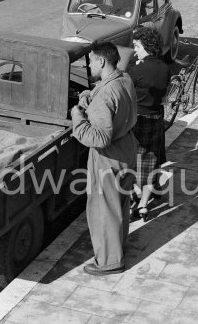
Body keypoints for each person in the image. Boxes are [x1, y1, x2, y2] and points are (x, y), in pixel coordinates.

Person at [71, 42, 137, 276]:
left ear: (101, 61)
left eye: (90, 61)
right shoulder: (124, 79)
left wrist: (77, 117)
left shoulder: (106, 93)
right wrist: (91, 94)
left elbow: (99, 138)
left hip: (108, 158)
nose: (89, 65)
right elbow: (108, 96)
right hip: (126, 150)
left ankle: (109, 262)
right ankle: (118, 247)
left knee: (103, 210)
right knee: (119, 204)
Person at [127, 27, 171, 221]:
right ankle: (144, 205)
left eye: (137, 46)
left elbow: (126, 96)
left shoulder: (135, 71)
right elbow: (164, 99)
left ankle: (135, 192)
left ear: (146, 46)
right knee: (150, 164)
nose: (135, 50)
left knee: (130, 162)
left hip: (137, 121)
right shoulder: (165, 68)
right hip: (156, 120)